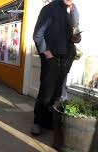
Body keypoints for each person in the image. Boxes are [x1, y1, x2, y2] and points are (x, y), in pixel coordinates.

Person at [31, 0, 81, 135]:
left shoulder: (73, 11)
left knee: (57, 93)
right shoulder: (49, 9)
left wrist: (77, 37)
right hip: (51, 57)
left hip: (66, 58)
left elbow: (75, 34)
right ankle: (38, 122)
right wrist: (46, 53)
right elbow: (37, 34)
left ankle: (48, 121)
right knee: (46, 93)